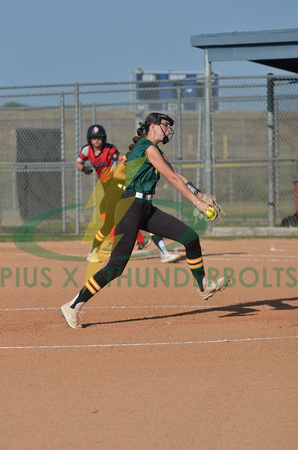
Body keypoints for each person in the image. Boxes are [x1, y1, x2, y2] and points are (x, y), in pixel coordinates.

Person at [61, 112, 229, 329]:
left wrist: (199, 194)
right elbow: (172, 179)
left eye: (170, 127)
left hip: (145, 208)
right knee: (115, 267)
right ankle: (73, 305)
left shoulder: (156, 150)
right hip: (129, 207)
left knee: (190, 238)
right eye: (165, 125)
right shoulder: (146, 147)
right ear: (153, 126)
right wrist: (197, 204)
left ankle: (203, 287)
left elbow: (178, 175)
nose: (169, 130)